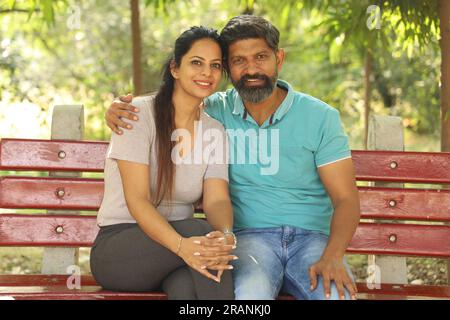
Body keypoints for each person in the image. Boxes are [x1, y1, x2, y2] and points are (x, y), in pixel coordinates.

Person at [105, 15, 361, 300]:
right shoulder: (189, 112)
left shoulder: (221, 123)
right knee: (236, 279)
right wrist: (118, 108)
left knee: (196, 287)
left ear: (279, 58)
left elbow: (346, 199)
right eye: (239, 60)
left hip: (307, 242)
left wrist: (334, 256)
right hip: (226, 241)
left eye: (261, 57)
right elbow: (171, 102)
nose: (251, 68)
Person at [90, 26, 237, 300]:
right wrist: (183, 246)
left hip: (175, 253)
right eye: (196, 62)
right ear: (175, 68)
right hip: (120, 250)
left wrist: (225, 235)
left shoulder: (214, 131)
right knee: (200, 228)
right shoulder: (136, 116)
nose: (207, 72)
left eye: (215, 65)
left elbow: (217, 200)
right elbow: (138, 201)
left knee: (189, 289)